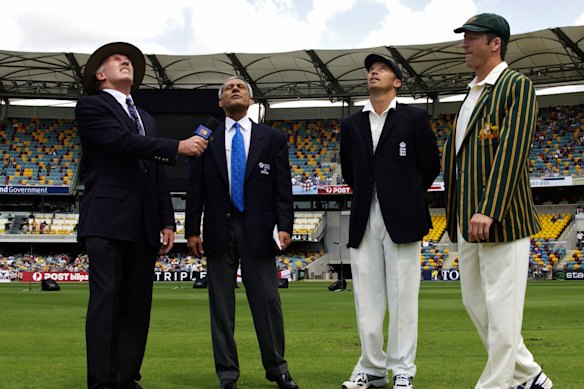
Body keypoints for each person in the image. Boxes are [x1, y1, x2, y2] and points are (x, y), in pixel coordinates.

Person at [75, 41, 207, 389]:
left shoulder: (146, 118)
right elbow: (120, 142)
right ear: (100, 74)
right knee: (107, 301)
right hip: (106, 218)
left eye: (130, 61)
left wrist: (166, 218)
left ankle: (127, 377)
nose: (125, 62)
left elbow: (155, 172)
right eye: (116, 59)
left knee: (137, 306)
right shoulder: (91, 107)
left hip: (144, 223)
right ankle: (102, 382)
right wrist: (175, 146)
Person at [443, 14, 553, 389]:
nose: (464, 44)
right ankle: (531, 376)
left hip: (501, 219)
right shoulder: (472, 93)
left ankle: (495, 385)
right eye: (464, 38)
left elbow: (512, 150)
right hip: (466, 220)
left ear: (496, 43)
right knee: (477, 306)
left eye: (472, 38)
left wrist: (488, 208)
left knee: (502, 311)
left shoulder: (515, 85)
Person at [185, 76, 298, 389]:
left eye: (241, 87)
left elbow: (282, 187)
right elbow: (195, 188)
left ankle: (277, 368)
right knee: (221, 306)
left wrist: (285, 225)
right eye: (228, 88)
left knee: (268, 302)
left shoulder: (272, 138)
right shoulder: (205, 138)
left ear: (251, 100)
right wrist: (192, 229)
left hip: (259, 230)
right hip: (219, 229)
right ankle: (227, 374)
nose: (235, 89)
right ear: (220, 102)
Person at [339, 54, 440, 389]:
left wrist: (404, 196)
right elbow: (349, 172)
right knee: (366, 299)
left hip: (403, 219)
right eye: (371, 69)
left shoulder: (413, 118)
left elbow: (430, 166)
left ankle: (403, 370)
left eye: (382, 69)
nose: (374, 72)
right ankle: (371, 368)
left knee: (403, 298)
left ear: (397, 81)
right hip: (363, 217)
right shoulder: (352, 124)